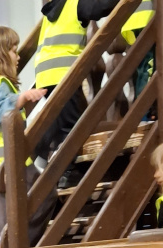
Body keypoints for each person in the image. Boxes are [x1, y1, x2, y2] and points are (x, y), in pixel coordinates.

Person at [0, 25, 58, 248]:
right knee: (46, 195)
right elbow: (0, 112)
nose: (18, 57)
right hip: (10, 162)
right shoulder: (1, 85)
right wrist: (22, 98)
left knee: (2, 218)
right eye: (14, 51)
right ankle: (19, 242)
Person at [33, 1, 127, 175]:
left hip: (45, 74)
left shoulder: (53, 9)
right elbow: (100, 7)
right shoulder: (74, 4)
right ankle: (64, 168)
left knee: (60, 120)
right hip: (63, 73)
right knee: (70, 126)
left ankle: (44, 148)